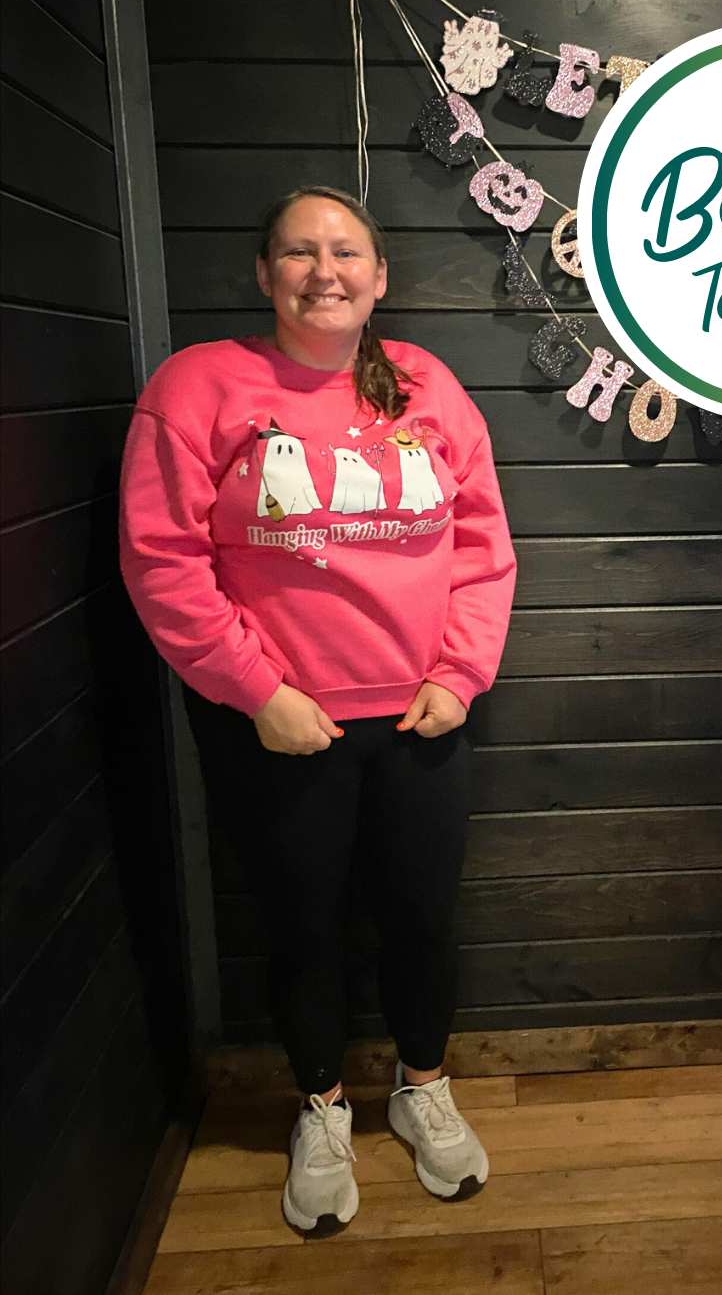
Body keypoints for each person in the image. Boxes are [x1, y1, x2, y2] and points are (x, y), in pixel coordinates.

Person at [118, 185, 517, 1235]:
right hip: (279, 727)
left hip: (423, 719)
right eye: (299, 252)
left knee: (422, 920)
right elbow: (162, 561)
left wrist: (459, 675)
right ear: (265, 274)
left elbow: (483, 548)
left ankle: (423, 1089)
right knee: (301, 929)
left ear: (380, 277)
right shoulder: (199, 385)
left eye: (345, 252)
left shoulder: (427, 386)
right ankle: (324, 1109)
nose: (323, 271)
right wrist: (259, 691)